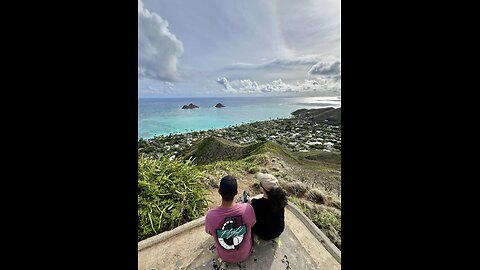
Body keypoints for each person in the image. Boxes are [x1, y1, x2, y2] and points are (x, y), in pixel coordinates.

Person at [205, 175, 256, 263]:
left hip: (224, 257)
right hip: (245, 254)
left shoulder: (210, 216)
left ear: (219, 192)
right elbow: (253, 223)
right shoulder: (247, 208)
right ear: (236, 192)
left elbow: (210, 232)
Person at [251, 173, 288, 240]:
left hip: (264, 235)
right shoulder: (281, 200)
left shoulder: (257, 204)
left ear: (262, 189)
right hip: (278, 231)